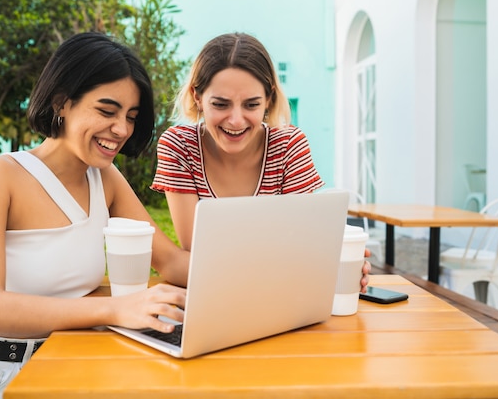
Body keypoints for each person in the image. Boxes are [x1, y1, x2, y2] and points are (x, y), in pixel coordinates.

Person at [0, 32, 188, 398]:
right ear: (62, 103)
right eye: (106, 111)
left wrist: (259, 281)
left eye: (131, 117)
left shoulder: (105, 177)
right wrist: (114, 310)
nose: (121, 129)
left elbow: (170, 262)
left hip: (71, 369)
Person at [151, 32, 371, 282]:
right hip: (213, 293)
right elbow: (195, 251)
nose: (236, 120)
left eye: (251, 105)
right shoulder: (179, 145)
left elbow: (299, 244)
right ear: (197, 97)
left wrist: (330, 262)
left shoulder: (289, 145)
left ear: (269, 99)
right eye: (221, 105)